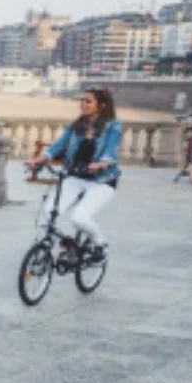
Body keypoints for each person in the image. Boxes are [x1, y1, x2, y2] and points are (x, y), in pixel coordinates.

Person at [27, 86, 122, 261]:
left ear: (101, 105)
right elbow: (58, 145)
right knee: (47, 215)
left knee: (79, 219)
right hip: (75, 177)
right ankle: (54, 248)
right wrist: (41, 158)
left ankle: (100, 243)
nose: (83, 104)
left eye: (88, 101)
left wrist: (102, 163)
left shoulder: (113, 126)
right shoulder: (77, 125)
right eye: (82, 100)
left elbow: (111, 150)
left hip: (102, 181)